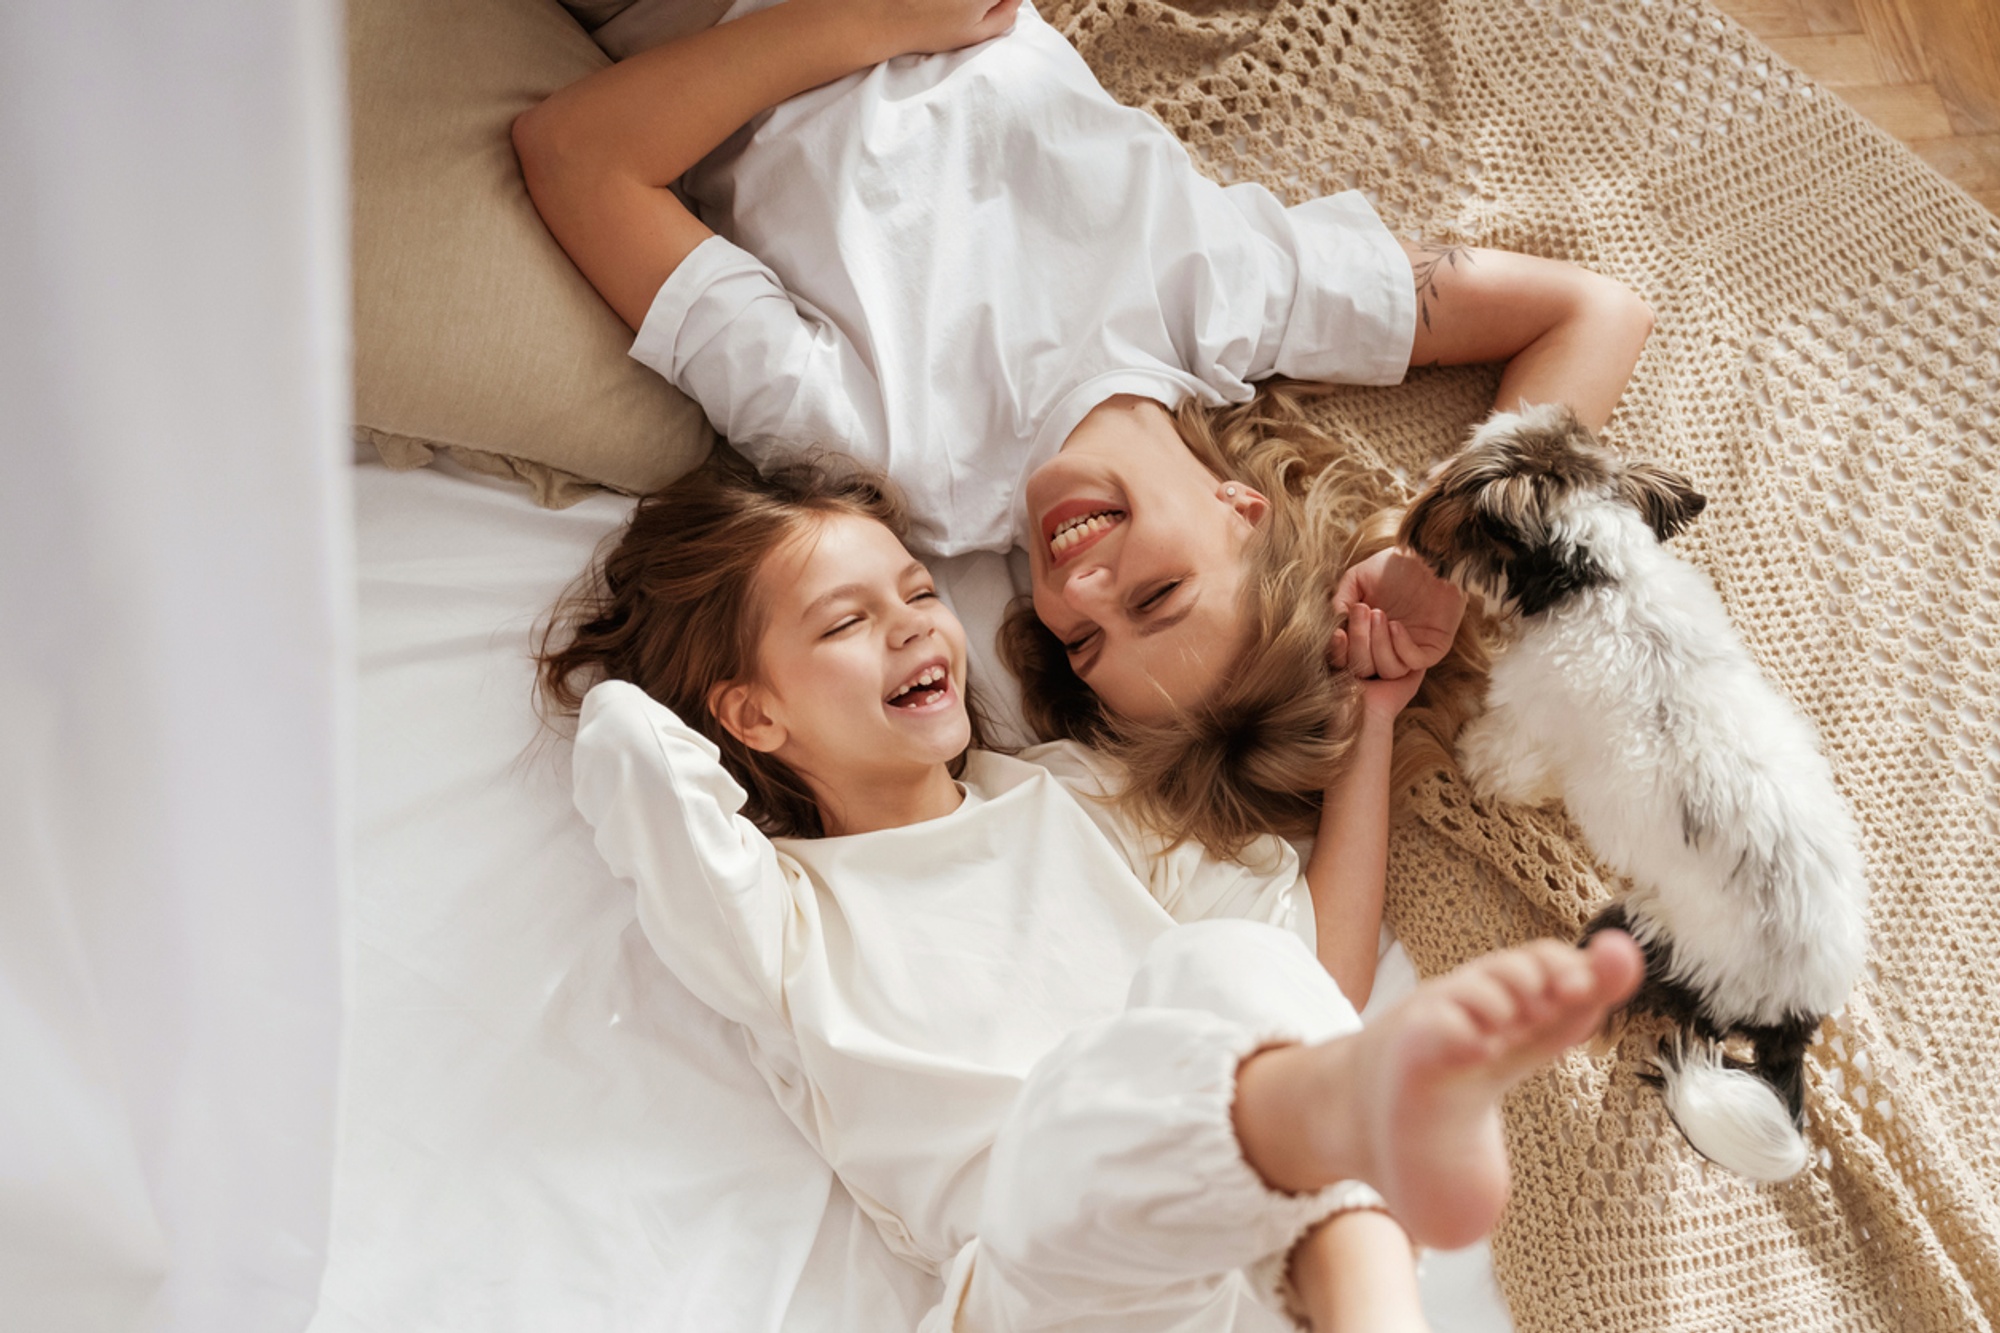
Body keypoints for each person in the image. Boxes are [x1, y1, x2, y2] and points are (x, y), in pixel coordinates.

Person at [511, 0, 1655, 852]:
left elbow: (575, 155)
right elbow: (1590, 313)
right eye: (1152, 596)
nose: (1076, 588)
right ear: (1242, 510)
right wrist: (1440, 561)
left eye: (1081, 642)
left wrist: (872, 18)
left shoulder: (883, 452)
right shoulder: (1231, 298)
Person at [538, 451, 1644, 1330]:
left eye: (919, 589)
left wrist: (1373, 720)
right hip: (1040, 1284)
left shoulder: (1079, 800)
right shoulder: (772, 917)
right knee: (1070, 1122)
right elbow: (631, 746)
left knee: (1222, 967)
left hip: (1238, 1264)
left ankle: (1354, 1249)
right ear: (752, 717)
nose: (918, 622)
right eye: (844, 621)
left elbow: (1311, 977)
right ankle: (1354, 1205)